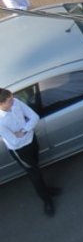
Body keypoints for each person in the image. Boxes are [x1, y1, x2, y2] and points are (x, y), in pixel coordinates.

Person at [0, 87, 59, 216]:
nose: (14, 101)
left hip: (31, 141)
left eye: (12, 98)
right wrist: (25, 130)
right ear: (1, 104)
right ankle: (46, 200)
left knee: (37, 167)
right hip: (20, 151)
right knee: (35, 175)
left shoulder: (15, 102)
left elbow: (34, 117)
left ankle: (46, 190)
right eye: (9, 100)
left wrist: (24, 130)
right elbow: (14, 141)